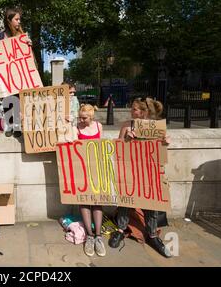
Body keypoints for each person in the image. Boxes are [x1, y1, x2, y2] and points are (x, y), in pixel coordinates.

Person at [109, 97, 172, 258]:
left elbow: (159, 149)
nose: (132, 111)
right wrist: (126, 139)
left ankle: (152, 235)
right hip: (129, 169)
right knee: (125, 200)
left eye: (135, 109)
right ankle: (121, 230)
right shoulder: (126, 125)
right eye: (132, 109)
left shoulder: (155, 127)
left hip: (149, 171)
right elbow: (118, 147)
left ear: (143, 112)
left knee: (150, 202)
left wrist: (165, 142)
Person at [72, 104, 106, 257]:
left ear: (91, 116)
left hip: (96, 168)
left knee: (97, 200)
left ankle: (98, 236)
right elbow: (71, 145)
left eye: (84, 117)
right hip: (82, 168)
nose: (81, 119)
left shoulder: (99, 126)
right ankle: (89, 236)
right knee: (84, 201)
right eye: (80, 117)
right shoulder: (76, 127)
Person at [0, 7, 31, 138]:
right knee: (7, 100)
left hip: (19, 73)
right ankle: (9, 125)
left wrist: (28, 45)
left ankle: (17, 126)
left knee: (18, 100)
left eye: (19, 19)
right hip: (5, 74)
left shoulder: (22, 35)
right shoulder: (1, 36)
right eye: (16, 19)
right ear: (9, 20)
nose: (19, 22)